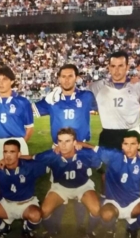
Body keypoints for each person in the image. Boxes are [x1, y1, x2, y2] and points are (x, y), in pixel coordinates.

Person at [32, 64, 96, 234]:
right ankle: (55, 227)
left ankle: (82, 226)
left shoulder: (87, 96)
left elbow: (106, 104)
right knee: (58, 184)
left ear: (77, 78)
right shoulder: (52, 99)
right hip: (58, 150)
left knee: (82, 185)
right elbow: (31, 110)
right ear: (58, 78)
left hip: (81, 149)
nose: (66, 79)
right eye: (63, 76)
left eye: (70, 76)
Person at [33, 128, 102, 238]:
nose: (63, 145)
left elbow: (105, 156)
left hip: (83, 186)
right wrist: (15, 157)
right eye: (60, 141)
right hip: (61, 187)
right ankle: (52, 231)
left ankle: (89, 232)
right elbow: (32, 158)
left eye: (67, 141)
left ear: (75, 142)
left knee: (96, 209)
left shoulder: (84, 153)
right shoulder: (53, 154)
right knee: (44, 211)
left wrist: (86, 145)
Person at [81, 131, 140, 238]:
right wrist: (79, 143)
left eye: (133, 144)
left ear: (139, 145)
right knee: (106, 214)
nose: (129, 148)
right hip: (113, 202)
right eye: (126, 144)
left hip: (133, 203)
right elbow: (95, 149)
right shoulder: (114, 156)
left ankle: (132, 228)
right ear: (121, 145)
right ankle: (110, 229)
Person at [0, 66, 34, 204]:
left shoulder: (23, 102)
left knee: (18, 179)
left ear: (12, 81)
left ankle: (20, 209)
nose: (1, 83)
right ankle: (0, 216)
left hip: (17, 143)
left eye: (4, 79)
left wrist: (19, 145)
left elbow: (29, 129)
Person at [0, 139, 47, 238]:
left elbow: (48, 161)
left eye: (12, 152)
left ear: (19, 154)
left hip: (27, 204)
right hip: (7, 203)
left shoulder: (30, 166)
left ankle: (27, 229)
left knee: (36, 215)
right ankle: (3, 227)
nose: (8, 155)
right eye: (5, 152)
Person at [88, 51, 140, 149]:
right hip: (107, 137)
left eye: (120, 66)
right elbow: (79, 100)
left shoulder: (138, 86)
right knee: (107, 164)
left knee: (131, 164)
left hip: (130, 137)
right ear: (108, 67)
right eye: (113, 66)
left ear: (127, 67)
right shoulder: (97, 87)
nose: (116, 70)